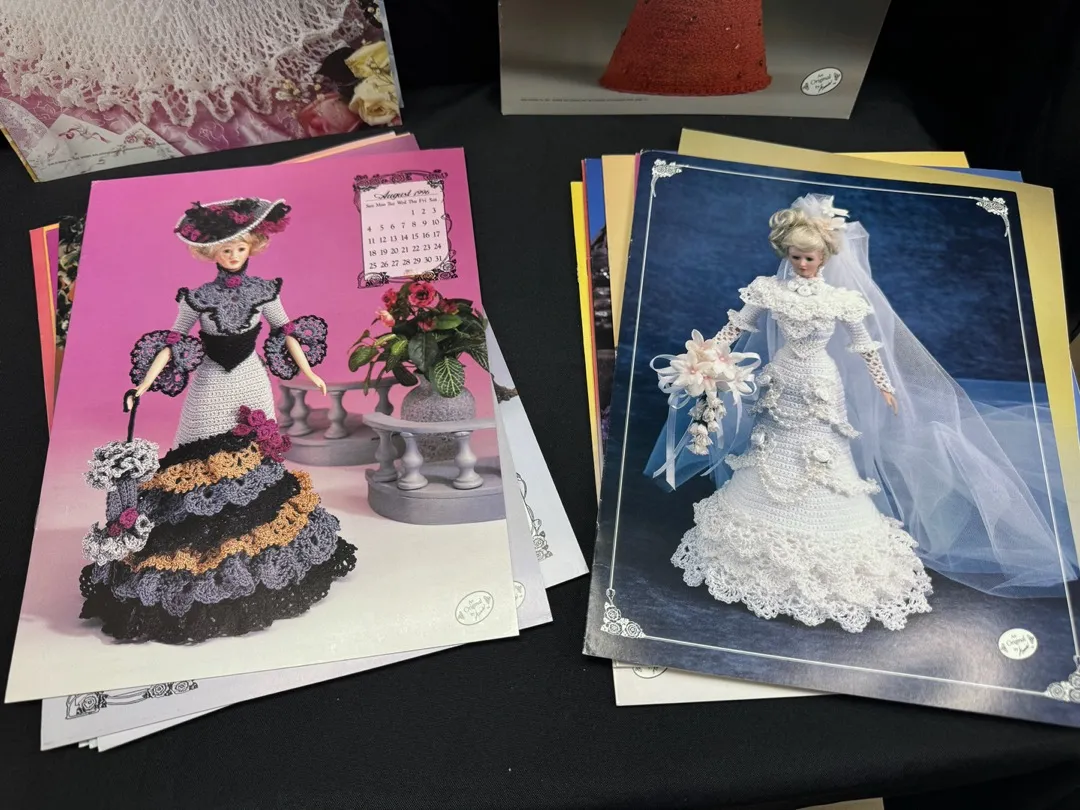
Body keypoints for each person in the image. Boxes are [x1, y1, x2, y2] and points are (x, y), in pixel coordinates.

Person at [646, 194, 1071, 633]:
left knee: (825, 453)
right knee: (769, 446)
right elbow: (737, 325)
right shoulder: (768, 290)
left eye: (809, 257)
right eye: (795, 257)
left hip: (820, 383)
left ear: (824, 256)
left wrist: (885, 386)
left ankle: (833, 543)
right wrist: (708, 355)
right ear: (785, 254)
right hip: (783, 380)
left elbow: (864, 344)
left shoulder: (841, 300)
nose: (802, 264)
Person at [78, 197, 356, 644]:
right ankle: (193, 537)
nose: (233, 255)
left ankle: (250, 542)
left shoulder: (264, 291)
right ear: (211, 252)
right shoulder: (198, 298)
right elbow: (172, 342)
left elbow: (286, 333)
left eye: (240, 248)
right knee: (197, 451)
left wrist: (310, 373)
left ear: (253, 247)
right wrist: (142, 385)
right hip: (211, 378)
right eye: (226, 249)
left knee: (253, 458)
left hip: (252, 380)